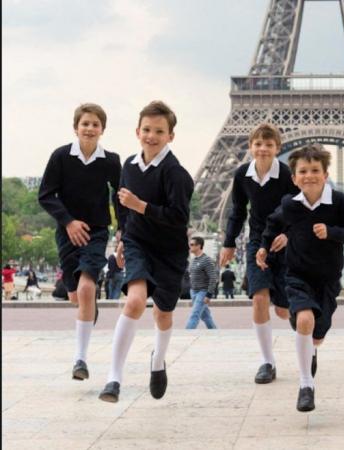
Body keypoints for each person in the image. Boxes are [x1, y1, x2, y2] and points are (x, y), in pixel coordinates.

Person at [99, 100, 194, 403]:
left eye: (159, 131)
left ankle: (158, 360)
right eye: (147, 130)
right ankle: (114, 378)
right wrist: (123, 236)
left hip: (169, 250)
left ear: (171, 136)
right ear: (137, 131)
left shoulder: (176, 174)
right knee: (135, 302)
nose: (151, 136)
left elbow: (179, 218)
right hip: (140, 242)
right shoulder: (129, 165)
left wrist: (140, 206)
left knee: (164, 314)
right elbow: (122, 204)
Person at [256, 144, 344, 412]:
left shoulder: (339, 202)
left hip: (327, 279)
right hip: (297, 275)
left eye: (315, 170)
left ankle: (311, 349)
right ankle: (306, 385)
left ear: (326, 174)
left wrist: (331, 232)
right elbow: (273, 224)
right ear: (294, 178)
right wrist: (263, 246)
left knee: (317, 333)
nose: (309, 175)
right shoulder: (290, 204)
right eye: (303, 171)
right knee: (305, 319)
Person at [38, 103, 124, 381]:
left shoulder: (111, 160)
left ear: (102, 130)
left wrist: (121, 229)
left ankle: (80, 359)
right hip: (67, 231)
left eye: (95, 124)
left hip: (97, 230)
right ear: (76, 127)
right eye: (85, 123)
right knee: (76, 295)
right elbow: (46, 194)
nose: (89, 128)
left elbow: (118, 196)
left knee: (86, 288)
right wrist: (68, 221)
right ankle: (88, 307)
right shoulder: (61, 157)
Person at [219, 123, 297, 384]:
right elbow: (238, 211)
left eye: (268, 144)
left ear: (278, 148)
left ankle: (306, 337)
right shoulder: (243, 174)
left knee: (285, 311)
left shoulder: (287, 174)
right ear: (250, 146)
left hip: (284, 242)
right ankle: (267, 362)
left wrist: (289, 234)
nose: (263, 149)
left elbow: (300, 209)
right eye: (258, 144)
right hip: (256, 243)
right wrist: (229, 242)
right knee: (259, 299)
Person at [185, 236, 218, 329]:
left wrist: (209, 295)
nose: (190, 246)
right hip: (193, 291)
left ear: (199, 246)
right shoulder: (193, 260)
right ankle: (215, 332)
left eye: (192, 245)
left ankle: (186, 334)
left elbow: (213, 277)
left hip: (203, 292)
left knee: (194, 314)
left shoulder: (207, 260)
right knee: (205, 316)